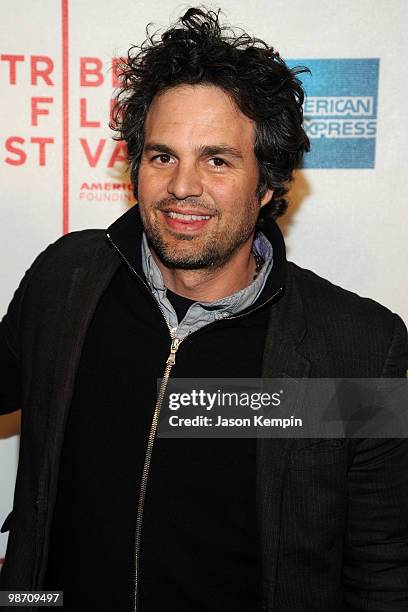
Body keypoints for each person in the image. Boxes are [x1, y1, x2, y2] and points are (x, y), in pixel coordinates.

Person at [0, 7, 407, 611]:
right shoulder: (69, 280)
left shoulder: (359, 350)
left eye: (217, 160)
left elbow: (382, 575)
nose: (182, 185)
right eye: (163, 156)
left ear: (266, 183)